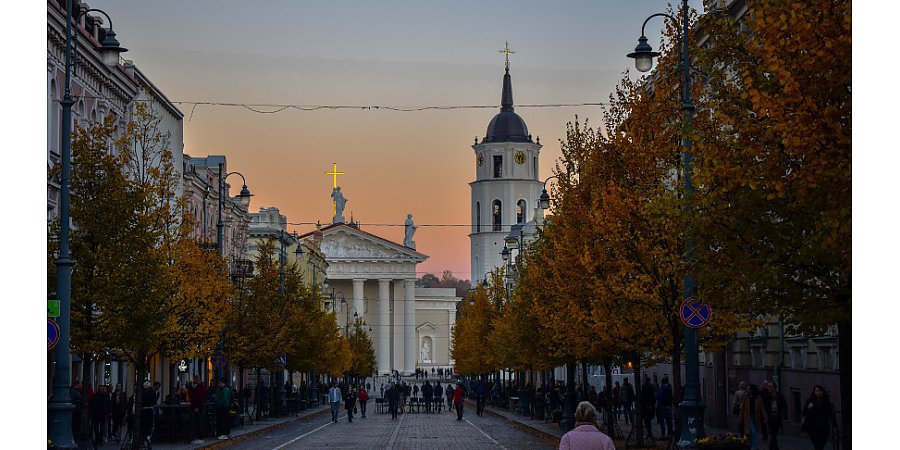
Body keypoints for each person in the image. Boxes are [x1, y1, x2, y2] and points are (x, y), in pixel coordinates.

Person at [802, 385, 837, 450]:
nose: (818, 392)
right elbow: (804, 413)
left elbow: (831, 414)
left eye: (820, 391)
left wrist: (834, 425)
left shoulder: (826, 402)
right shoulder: (810, 401)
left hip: (824, 427)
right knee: (817, 445)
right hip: (812, 428)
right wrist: (809, 407)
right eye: (816, 391)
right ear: (814, 392)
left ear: (822, 392)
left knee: (821, 445)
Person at [738, 384, 768, 450]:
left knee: (751, 432)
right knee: (753, 431)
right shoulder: (746, 397)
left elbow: (762, 408)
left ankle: (750, 444)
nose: (747, 390)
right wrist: (740, 418)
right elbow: (742, 409)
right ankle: (754, 447)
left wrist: (765, 417)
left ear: (752, 389)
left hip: (756, 417)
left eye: (749, 388)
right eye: (747, 388)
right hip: (748, 417)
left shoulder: (758, 398)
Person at [763, 381, 787, 450]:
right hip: (770, 418)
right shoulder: (766, 396)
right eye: (767, 386)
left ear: (774, 388)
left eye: (769, 387)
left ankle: (774, 448)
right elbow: (764, 407)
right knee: (773, 434)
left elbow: (784, 406)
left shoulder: (780, 396)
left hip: (777, 417)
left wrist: (785, 417)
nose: (768, 388)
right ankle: (774, 448)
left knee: (774, 434)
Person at [189, 376, 207, 444]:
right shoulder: (198, 386)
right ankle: (198, 437)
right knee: (197, 422)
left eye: (194, 379)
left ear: (197, 379)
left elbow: (200, 398)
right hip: (197, 407)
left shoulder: (200, 387)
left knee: (199, 422)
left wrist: (197, 407)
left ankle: (200, 438)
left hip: (198, 408)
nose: (193, 380)